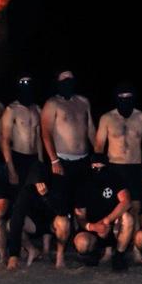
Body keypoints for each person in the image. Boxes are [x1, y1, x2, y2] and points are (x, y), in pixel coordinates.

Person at [94, 83, 142, 263]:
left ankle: (136, 250)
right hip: (113, 168)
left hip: (136, 168)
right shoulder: (107, 118)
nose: (125, 101)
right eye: (122, 98)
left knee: (135, 209)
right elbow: (99, 145)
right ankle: (109, 250)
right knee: (113, 209)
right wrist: (99, 169)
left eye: (129, 97)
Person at [41, 69, 96, 211]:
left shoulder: (84, 102)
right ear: (58, 83)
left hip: (84, 162)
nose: (68, 82)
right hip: (62, 162)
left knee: (82, 206)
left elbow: (90, 129)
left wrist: (98, 155)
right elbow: (46, 132)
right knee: (62, 209)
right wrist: (54, 160)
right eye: (64, 79)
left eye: (70, 79)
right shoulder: (52, 103)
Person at [73, 154, 133, 271]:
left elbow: (127, 202)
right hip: (91, 227)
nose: (98, 170)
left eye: (102, 167)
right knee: (82, 243)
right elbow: (80, 217)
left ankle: (119, 256)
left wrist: (106, 221)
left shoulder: (114, 178)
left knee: (128, 218)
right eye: (95, 167)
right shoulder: (82, 183)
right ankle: (94, 252)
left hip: (112, 224)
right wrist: (93, 227)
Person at [7, 162, 70, 270]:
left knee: (63, 222)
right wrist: (13, 256)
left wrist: (46, 196)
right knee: (11, 223)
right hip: (35, 225)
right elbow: (17, 217)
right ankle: (31, 250)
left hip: (52, 224)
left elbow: (63, 211)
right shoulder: (26, 191)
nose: (38, 185)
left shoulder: (57, 184)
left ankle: (60, 257)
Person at [0, 75, 43, 190]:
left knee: (35, 195)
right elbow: (5, 141)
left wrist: (41, 161)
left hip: (34, 159)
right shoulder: (11, 110)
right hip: (18, 158)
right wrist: (11, 169)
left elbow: (39, 137)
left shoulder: (37, 109)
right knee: (17, 194)